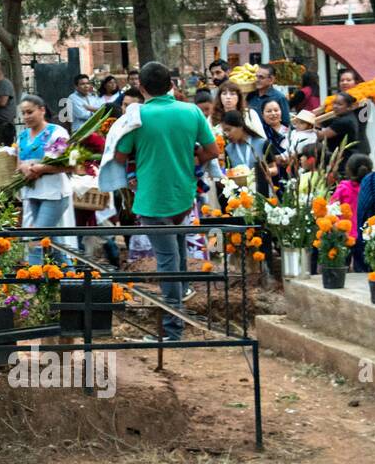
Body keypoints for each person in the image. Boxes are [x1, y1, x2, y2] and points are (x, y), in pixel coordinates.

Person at [113, 61, 219, 341]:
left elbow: (120, 156)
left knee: (168, 261)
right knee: (179, 256)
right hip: (183, 194)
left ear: (141, 87)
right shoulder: (192, 111)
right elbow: (212, 150)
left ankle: (173, 331)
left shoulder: (137, 117)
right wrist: (190, 159)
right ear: (172, 84)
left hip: (151, 199)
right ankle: (179, 318)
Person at [15, 94, 72, 265]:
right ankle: (72, 279)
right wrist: (24, 168)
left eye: (30, 112)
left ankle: (31, 284)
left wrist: (41, 169)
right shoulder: (23, 136)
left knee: (35, 238)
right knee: (54, 242)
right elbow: (18, 163)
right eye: (23, 113)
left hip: (54, 194)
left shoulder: (57, 133)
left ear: (42, 110)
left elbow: (69, 165)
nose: (26, 117)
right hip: (32, 192)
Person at [333, 155, 372, 271]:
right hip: (364, 234)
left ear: (348, 170)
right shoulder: (370, 188)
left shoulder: (343, 187)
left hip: (345, 234)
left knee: (341, 267)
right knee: (362, 269)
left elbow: (332, 208)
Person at [219, 110, 268, 194]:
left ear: (240, 126)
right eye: (224, 131)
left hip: (262, 193)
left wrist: (257, 173)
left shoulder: (262, 143)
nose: (227, 134)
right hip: (240, 196)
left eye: (229, 130)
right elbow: (227, 171)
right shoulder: (228, 149)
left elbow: (274, 168)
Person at [316, 91, 364, 166]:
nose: (335, 106)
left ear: (349, 107)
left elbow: (321, 135)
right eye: (334, 103)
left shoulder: (345, 121)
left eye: (339, 104)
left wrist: (308, 126)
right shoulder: (343, 117)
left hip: (344, 160)